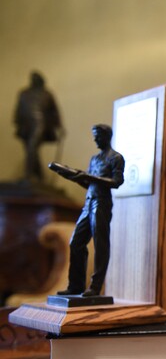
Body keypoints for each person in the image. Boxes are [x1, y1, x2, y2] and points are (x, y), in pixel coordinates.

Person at [52, 124, 125, 297]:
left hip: (102, 203)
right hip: (89, 202)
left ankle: (95, 286)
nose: (95, 139)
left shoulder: (116, 158)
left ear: (107, 136)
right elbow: (90, 183)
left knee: (100, 244)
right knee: (76, 243)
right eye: (94, 136)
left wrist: (89, 177)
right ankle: (76, 286)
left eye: (97, 136)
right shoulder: (94, 159)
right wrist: (75, 177)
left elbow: (116, 182)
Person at [14, 71, 63, 183]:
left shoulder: (47, 94)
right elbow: (19, 109)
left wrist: (59, 126)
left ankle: (28, 175)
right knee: (31, 150)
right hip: (26, 125)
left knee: (32, 147)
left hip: (40, 124)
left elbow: (55, 112)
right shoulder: (24, 93)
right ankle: (40, 176)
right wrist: (17, 123)